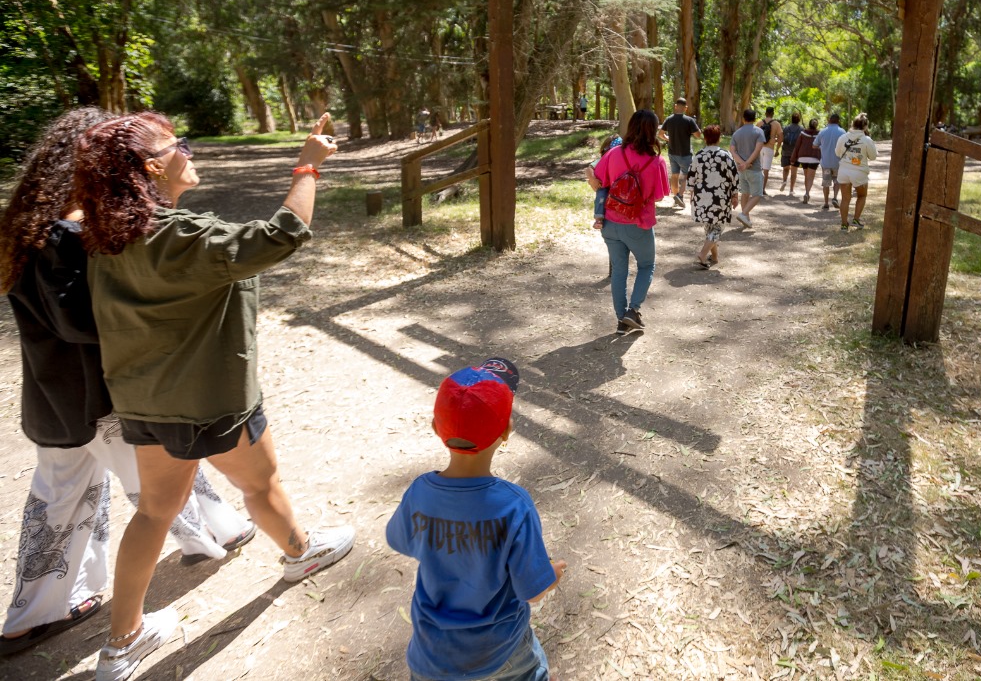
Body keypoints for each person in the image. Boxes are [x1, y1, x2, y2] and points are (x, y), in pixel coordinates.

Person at [74, 112, 355, 681]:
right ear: (153, 166)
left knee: (154, 511)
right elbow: (281, 235)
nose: (189, 153)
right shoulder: (179, 237)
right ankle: (302, 553)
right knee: (259, 481)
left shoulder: (108, 238)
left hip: (143, 403)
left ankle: (121, 644)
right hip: (209, 402)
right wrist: (308, 165)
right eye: (180, 146)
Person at [0, 109, 254, 659]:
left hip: (55, 401)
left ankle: (32, 616)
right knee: (159, 482)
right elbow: (78, 322)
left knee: (58, 505)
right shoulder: (67, 233)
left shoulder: (27, 226)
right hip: (102, 398)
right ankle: (217, 534)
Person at [386, 358, 566, 681]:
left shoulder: (419, 493)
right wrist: (550, 574)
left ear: (435, 428)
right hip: (502, 654)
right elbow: (533, 591)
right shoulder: (514, 506)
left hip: (430, 657)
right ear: (507, 432)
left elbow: (400, 540)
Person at [592, 110, 670, 335]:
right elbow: (659, 195)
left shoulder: (614, 153)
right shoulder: (656, 162)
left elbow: (599, 180)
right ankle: (633, 310)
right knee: (646, 265)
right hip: (639, 224)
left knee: (619, 271)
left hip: (610, 221)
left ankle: (620, 320)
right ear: (653, 131)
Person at [687, 125, 739, 269]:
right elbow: (734, 176)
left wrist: (691, 193)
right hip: (720, 197)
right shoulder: (726, 155)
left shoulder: (699, 155)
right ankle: (703, 254)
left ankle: (715, 257)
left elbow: (691, 176)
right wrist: (735, 194)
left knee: (709, 227)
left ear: (704, 138)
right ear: (719, 137)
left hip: (702, 196)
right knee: (718, 227)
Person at [834, 113, 878, 231]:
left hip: (844, 171)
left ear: (853, 124)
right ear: (865, 126)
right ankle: (856, 219)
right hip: (859, 172)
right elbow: (873, 156)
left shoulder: (843, 137)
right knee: (862, 195)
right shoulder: (866, 139)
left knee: (845, 199)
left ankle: (844, 224)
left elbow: (837, 153)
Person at [657, 97, 701, 210]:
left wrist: (668, 139)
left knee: (675, 175)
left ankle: (675, 196)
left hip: (672, 152)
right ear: (686, 108)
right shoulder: (689, 120)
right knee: (686, 175)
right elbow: (698, 135)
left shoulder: (669, 119)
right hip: (685, 153)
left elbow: (660, 134)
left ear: (675, 106)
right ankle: (680, 196)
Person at [728, 109, 766, 228]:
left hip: (741, 169)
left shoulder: (737, 133)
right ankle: (744, 214)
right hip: (754, 168)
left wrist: (742, 163)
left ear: (743, 118)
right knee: (758, 194)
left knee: (745, 193)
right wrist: (748, 163)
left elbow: (732, 150)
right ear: (755, 119)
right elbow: (758, 149)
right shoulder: (759, 131)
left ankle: (746, 219)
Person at [587, 134, 623, 231]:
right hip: (605, 185)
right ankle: (599, 218)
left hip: (618, 186)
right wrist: (593, 179)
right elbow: (589, 168)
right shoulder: (601, 160)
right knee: (601, 196)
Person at [814, 113, 847, 211]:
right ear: (838, 121)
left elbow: (814, 145)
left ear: (829, 120)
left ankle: (825, 203)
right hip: (838, 162)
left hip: (826, 163)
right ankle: (835, 197)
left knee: (826, 183)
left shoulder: (822, 132)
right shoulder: (842, 132)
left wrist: (821, 147)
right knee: (837, 181)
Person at [792, 119, 823, 204]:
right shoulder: (820, 134)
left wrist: (793, 158)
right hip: (814, 157)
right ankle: (807, 192)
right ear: (816, 125)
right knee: (810, 177)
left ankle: (807, 192)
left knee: (806, 175)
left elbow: (797, 146)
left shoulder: (803, 133)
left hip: (803, 157)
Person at [778, 112, 804, 194]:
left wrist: (777, 149)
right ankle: (791, 189)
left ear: (791, 119)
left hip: (786, 150)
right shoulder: (801, 129)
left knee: (786, 168)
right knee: (794, 171)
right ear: (799, 120)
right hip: (795, 152)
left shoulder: (786, 128)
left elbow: (781, 139)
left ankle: (784, 181)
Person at [759, 107, 783, 192]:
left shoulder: (759, 123)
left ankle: (757, 188)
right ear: (773, 113)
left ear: (765, 113)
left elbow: (753, 136)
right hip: (769, 148)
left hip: (760, 148)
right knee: (766, 169)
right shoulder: (776, 124)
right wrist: (777, 149)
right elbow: (781, 138)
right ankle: (762, 189)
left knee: (759, 168)